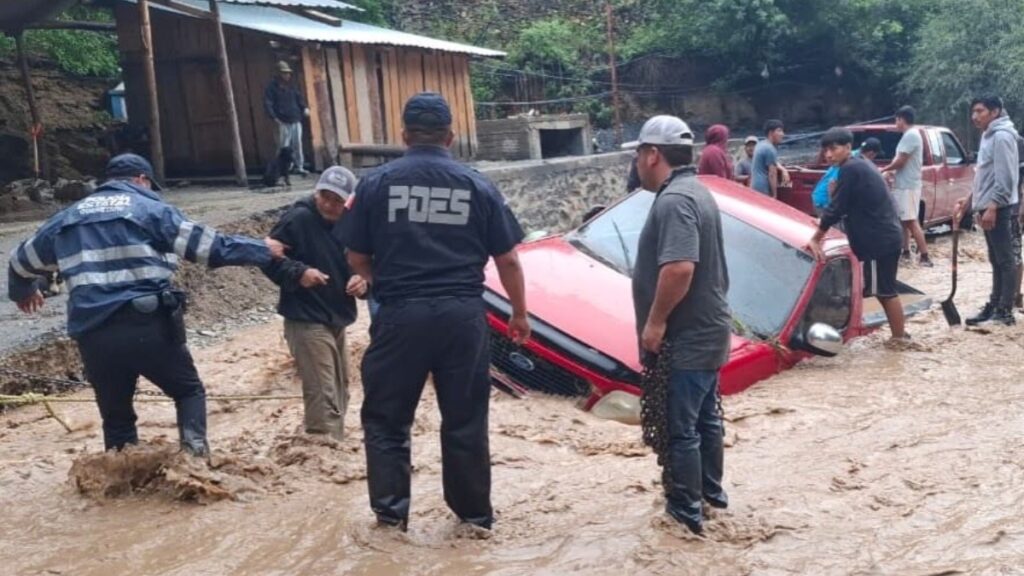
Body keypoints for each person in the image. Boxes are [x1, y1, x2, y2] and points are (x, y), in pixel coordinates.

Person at [7, 154, 287, 456]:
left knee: (117, 421)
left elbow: (19, 261)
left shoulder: (65, 219)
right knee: (188, 391)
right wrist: (262, 249)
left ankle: (120, 483)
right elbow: (210, 248)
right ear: (141, 179)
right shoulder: (150, 210)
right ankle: (194, 463)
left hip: (93, 334)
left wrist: (23, 290)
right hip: (146, 325)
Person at [344, 92, 531, 531]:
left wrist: (384, 281)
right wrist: (519, 314)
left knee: (387, 419)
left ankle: (391, 521)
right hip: (463, 317)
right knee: (465, 419)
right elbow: (508, 260)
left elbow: (355, 256)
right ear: (450, 136)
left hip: (400, 315)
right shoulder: (477, 184)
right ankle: (473, 519)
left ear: (404, 135)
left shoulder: (374, 184)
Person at [626, 115, 731, 536]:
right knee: (704, 419)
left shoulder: (673, 201)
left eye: (637, 155)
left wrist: (654, 324)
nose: (635, 164)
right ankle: (711, 498)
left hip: (687, 337)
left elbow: (680, 268)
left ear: (652, 155)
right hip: (707, 330)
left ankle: (685, 518)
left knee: (679, 427)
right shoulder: (696, 191)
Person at [263, 167, 368, 441]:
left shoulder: (353, 224)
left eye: (337, 200)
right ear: (316, 193)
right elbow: (269, 258)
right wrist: (300, 273)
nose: (330, 205)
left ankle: (333, 449)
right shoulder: (297, 219)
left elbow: (369, 264)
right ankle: (322, 446)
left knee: (341, 387)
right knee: (323, 391)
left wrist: (364, 282)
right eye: (325, 196)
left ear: (348, 202)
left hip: (338, 316)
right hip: (306, 317)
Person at [806, 128, 907, 340]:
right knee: (884, 289)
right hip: (886, 236)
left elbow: (836, 208)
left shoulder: (850, 169)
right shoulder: (860, 164)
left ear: (848, 148)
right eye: (826, 150)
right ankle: (900, 337)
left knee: (885, 292)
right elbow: (848, 206)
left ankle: (900, 340)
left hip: (878, 242)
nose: (829, 155)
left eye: (833, 149)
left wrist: (816, 238)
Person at [955, 96, 1020, 326]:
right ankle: (994, 305)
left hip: (999, 208)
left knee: (1005, 259)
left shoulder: (1002, 137)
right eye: (973, 111)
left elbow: (1006, 177)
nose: (975, 116)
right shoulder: (988, 135)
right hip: (987, 205)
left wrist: (993, 206)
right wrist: (970, 199)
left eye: (980, 111)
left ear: (995, 112)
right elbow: (984, 174)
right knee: (995, 259)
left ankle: (1004, 311)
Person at [881, 106, 933, 267]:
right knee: (903, 220)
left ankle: (924, 256)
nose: (895, 123)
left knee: (911, 220)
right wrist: (892, 173)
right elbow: (902, 162)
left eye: (896, 120)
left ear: (901, 119)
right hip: (903, 183)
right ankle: (905, 252)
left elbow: (901, 161)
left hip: (908, 186)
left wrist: (884, 169)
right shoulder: (910, 135)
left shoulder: (910, 135)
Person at [811, 137, 882, 215]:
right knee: (833, 226)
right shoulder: (851, 162)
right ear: (871, 153)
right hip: (824, 201)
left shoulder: (853, 154)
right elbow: (832, 183)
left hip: (823, 196)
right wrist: (834, 207)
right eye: (875, 156)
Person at [264, 60, 310, 176]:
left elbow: (300, 99)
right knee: (283, 147)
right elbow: (268, 103)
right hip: (282, 121)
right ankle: (283, 169)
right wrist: (274, 117)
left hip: (295, 119)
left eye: (288, 73)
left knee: (297, 145)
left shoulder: (292, 86)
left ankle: (299, 166)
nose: (287, 75)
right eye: (284, 73)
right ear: (278, 74)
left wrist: (304, 108)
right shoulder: (271, 88)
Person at [751, 119, 790, 198]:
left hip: (754, 184)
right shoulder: (770, 149)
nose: (782, 134)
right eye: (779, 131)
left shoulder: (761, 144)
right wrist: (774, 194)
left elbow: (773, 161)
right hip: (763, 187)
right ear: (771, 133)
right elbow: (772, 174)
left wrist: (783, 169)